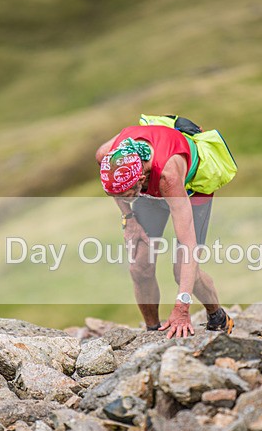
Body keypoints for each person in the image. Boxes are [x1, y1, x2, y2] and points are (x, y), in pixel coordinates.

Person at [97, 121, 234, 338]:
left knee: (183, 270)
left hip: (190, 190)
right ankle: (153, 331)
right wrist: (128, 217)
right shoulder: (107, 155)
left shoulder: (168, 176)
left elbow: (189, 245)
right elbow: (116, 182)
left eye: (127, 195)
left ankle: (217, 315)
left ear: (140, 179)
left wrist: (182, 308)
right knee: (139, 266)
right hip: (150, 189)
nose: (123, 199)